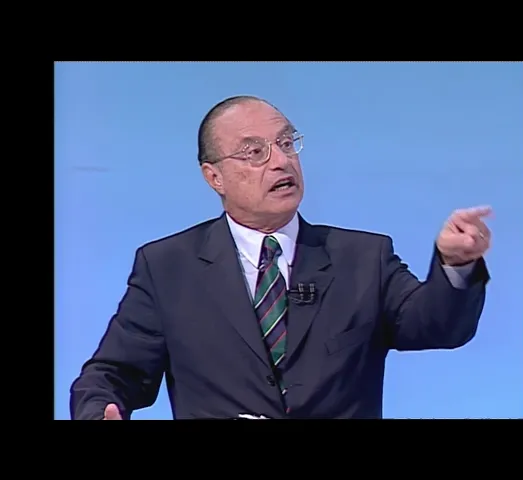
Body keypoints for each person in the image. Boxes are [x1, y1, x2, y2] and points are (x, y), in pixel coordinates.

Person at [69, 95, 492, 420]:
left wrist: (456, 265)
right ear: (214, 177)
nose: (281, 161)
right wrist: (99, 410)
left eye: (287, 143)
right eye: (255, 152)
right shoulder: (167, 268)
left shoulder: (363, 258)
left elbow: (437, 326)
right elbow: (113, 373)